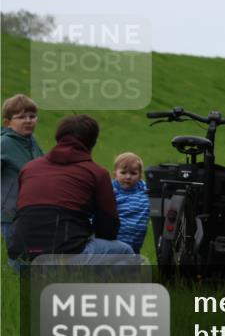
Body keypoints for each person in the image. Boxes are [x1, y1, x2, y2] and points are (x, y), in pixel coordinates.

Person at [7, 114, 134, 263]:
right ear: (92, 142)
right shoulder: (96, 173)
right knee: (125, 251)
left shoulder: (29, 168)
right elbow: (109, 227)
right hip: (64, 255)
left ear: (58, 137)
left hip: (19, 257)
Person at [1, 94, 44, 249]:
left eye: (32, 116)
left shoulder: (32, 142)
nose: (28, 120)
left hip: (34, 209)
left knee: (34, 252)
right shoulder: (4, 143)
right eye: (21, 117)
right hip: (10, 212)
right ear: (7, 123)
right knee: (17, 255)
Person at [112, 152, 150, 254]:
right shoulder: (110, 191)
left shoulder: (145, 190)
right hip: (114, 243)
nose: (128, 177)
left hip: (136, 245)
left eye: (133, 173)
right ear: (115, 174)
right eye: (123, 172)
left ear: (140, 176)